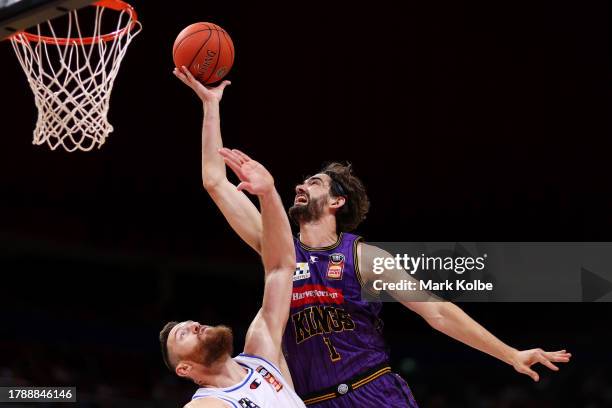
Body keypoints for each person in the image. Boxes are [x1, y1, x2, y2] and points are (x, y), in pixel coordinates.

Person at [173, 66, 572, 407]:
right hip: (312, 401)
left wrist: (510, 354)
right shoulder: (278, 250)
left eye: (313, 183)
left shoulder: (362, 257)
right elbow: (215, 182)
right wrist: (211, 106)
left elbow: (437, 311)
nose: (301, 185)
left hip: (372, 392)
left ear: (336, 202)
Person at [159, 146, 306, 408]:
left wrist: (268, 194)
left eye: (191, 324)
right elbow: (213, 182)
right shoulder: (208, 404)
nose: (195, 325)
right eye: (184, 335)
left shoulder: (262, 355)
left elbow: (281, 268)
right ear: (184, 369)